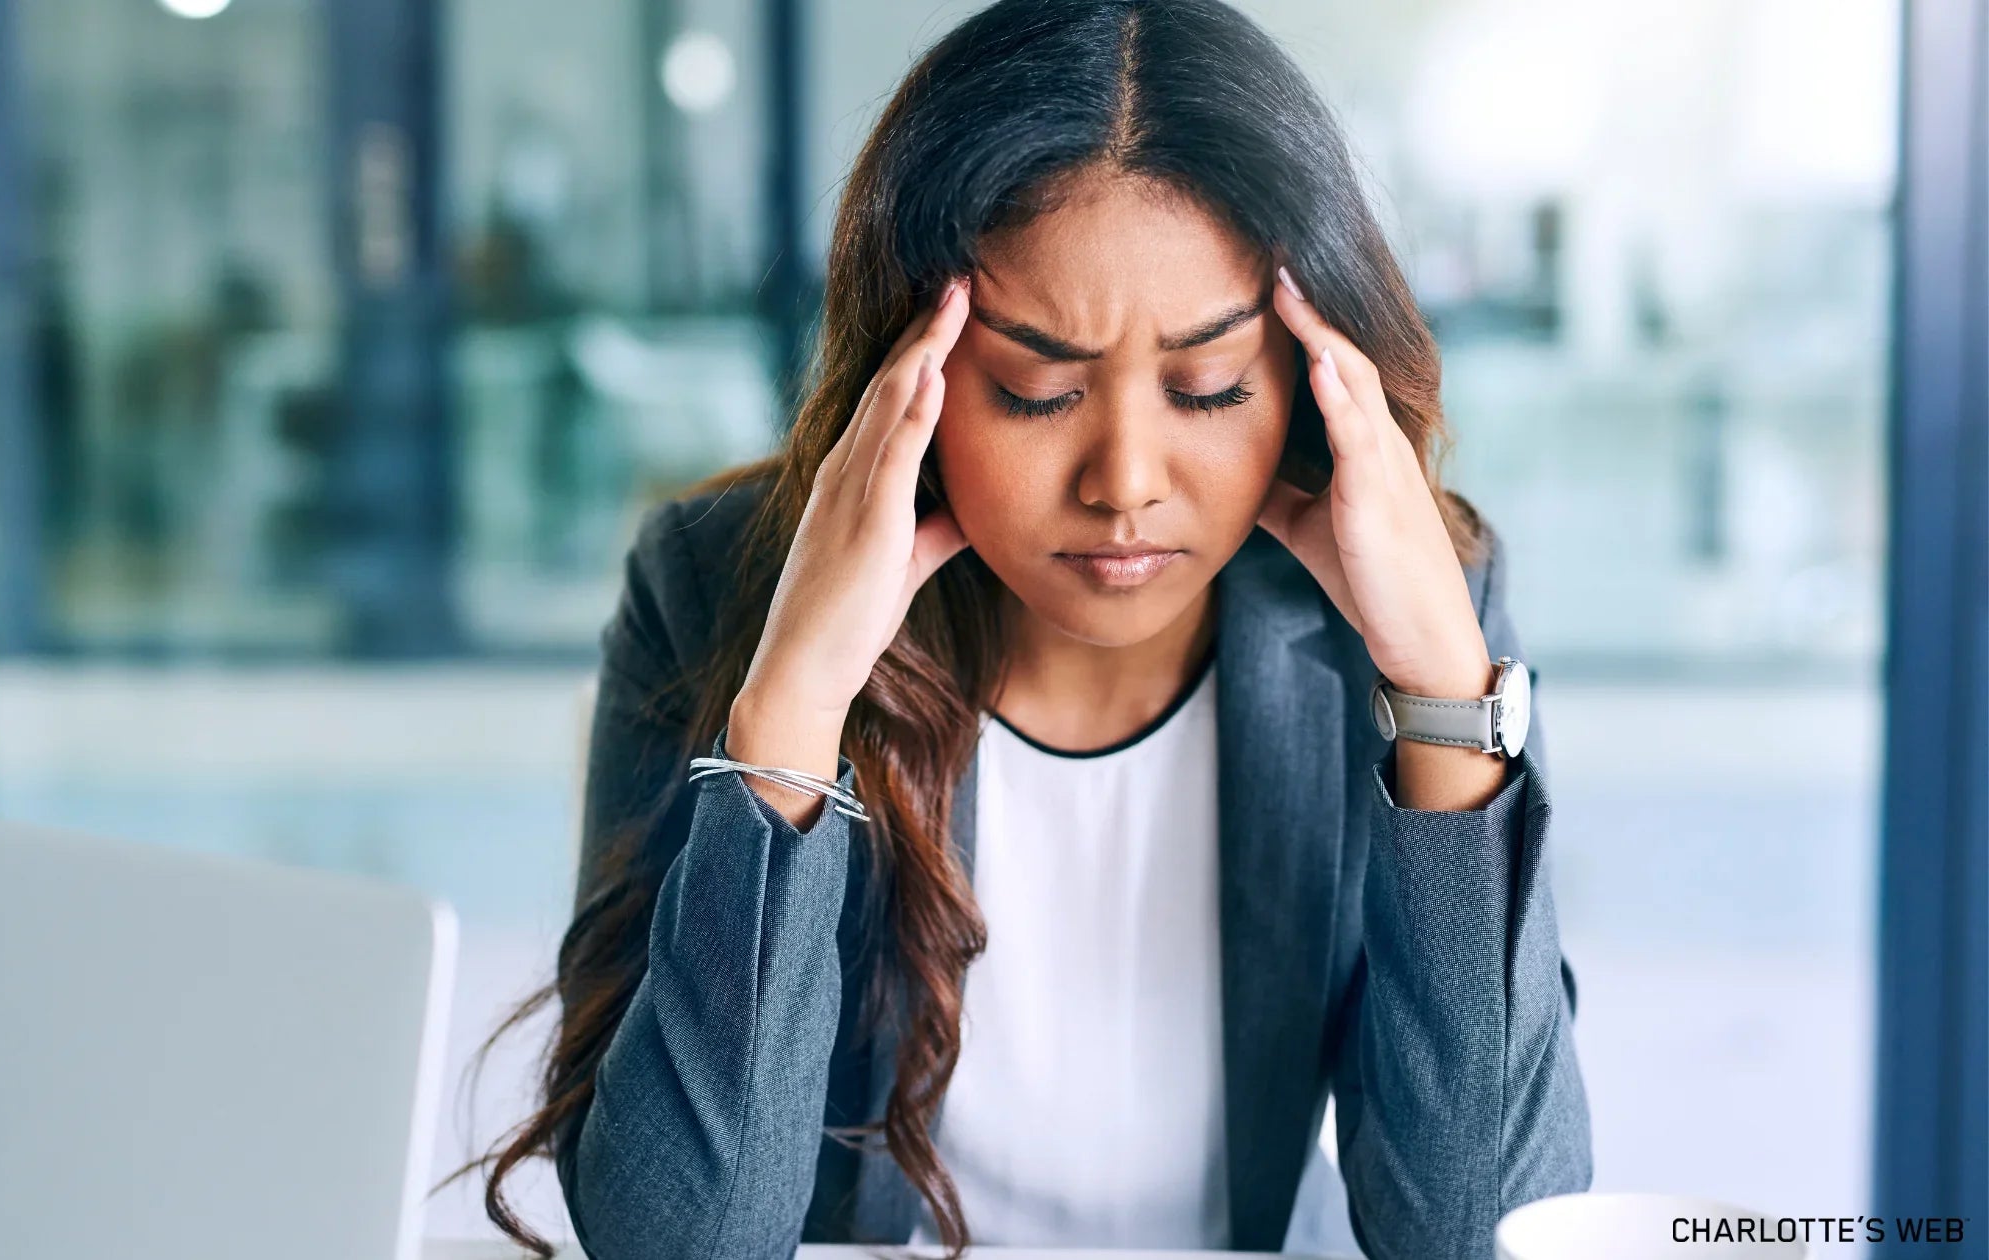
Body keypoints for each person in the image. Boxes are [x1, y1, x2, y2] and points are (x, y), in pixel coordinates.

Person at [457, 1, 1591, 1256]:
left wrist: (1440, 689)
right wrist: (793, 709)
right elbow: (682, 1239)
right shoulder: (713, 586)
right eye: (1035, 391)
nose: (1124, 481)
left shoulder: (1399, 614)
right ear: (911, 374)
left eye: (1207, 386)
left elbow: (1486, 1229)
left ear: (1309, 378)